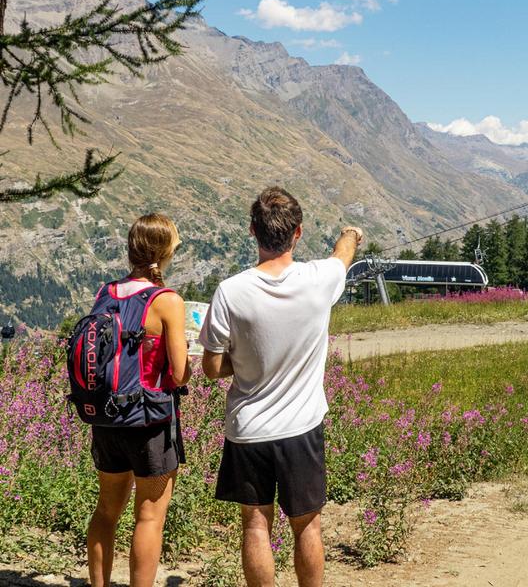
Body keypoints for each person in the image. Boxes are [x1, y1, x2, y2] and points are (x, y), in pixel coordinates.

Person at [200, 187, 362, 587]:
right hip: (302, 429)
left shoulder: (231, 291)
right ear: (298, 233)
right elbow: (343, 256)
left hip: (248, 429)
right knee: (307, 526)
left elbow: (211, 368)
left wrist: (242, 360)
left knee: (256, 525)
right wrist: (351, 232)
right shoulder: (318, 280)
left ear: (253, 231)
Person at [86, 213, 191, 587]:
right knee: (149, 517)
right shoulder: (166, 301)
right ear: (163, 253)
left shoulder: (106, 293)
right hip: (149, 422)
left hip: (106, 419)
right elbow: (179, 374)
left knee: (106, 511)